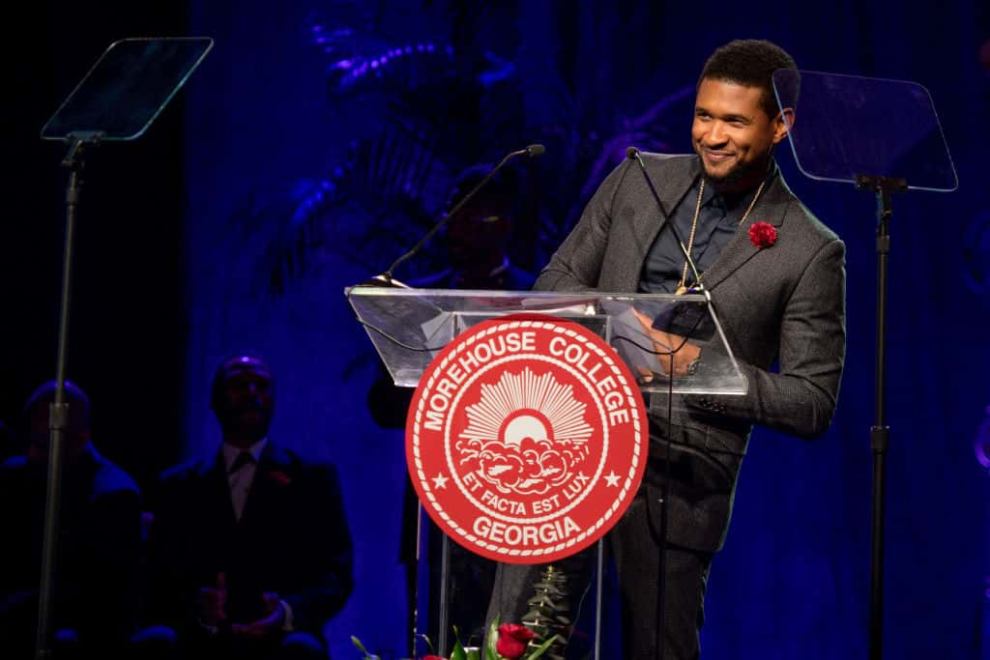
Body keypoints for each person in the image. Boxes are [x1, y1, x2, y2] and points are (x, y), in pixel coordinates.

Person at [487, 39, 846, 659]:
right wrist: (606, 328)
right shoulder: (638, 179)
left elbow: (811, 401)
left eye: (734, 121)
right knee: (514, 643)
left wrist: (694, 366)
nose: (712, 135)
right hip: (570, 450)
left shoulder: (809, 249)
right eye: (704, 116)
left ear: (781, 125)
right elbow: (553, 288)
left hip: (679, 483)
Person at [140, 354, 354, 659]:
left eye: (261, 385)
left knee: (301, 650)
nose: (252, 393)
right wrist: (195, 605)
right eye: (239, 384)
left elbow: (336, 573)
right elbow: (157, 573)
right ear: (215, 399)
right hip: (200, 635)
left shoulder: (311, 480)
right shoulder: (178, 486)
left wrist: (286, 611)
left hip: (282, 639)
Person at [0, 380, 142, 659]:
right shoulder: (17, 476)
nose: (30, 454)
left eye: (40, 445)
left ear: (73, 434)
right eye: (30, 443)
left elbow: (101, 593)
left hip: (80, 629)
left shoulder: (111, 493)